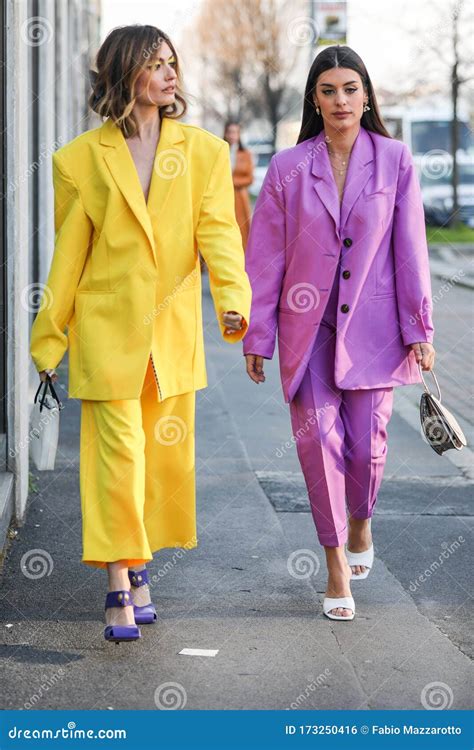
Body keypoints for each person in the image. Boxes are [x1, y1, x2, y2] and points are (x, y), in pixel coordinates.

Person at [29, 24, 251, 643]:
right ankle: (118, 584)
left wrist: (233, 302)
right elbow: (68, 256)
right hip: (107, 333)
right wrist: (49, 339)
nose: (170, 73)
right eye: (156, 63)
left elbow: (219, 238)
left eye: (172, 62)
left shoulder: (205, 153)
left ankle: (140, 565)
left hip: (172, 337)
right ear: (127, 73)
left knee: (159, 464)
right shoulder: (78, 161)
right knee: (117, 461)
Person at [242, 45, 435, 622]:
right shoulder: (287, 168)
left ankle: (360, 523)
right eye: (329, 91)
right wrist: (259, 334)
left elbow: (411, 248)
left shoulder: (396, 159)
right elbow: (266, 257)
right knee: (316, 446)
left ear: (367, 95)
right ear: (315, 99)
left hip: (375, 332)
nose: (340, 100)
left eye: (350, 89)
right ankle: (332, 566)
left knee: (367, 449)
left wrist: (419, 328)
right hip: (310, 331)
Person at [223, 121, 254, 249]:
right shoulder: (220, 150)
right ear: (225, 133)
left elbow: (249, 178)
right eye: (230, 132)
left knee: (241, 230)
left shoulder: (245, 154)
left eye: (235, 132)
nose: (232, 135)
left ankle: (243, 263)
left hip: (239, 198)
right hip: (222, 196)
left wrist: (231, 182)